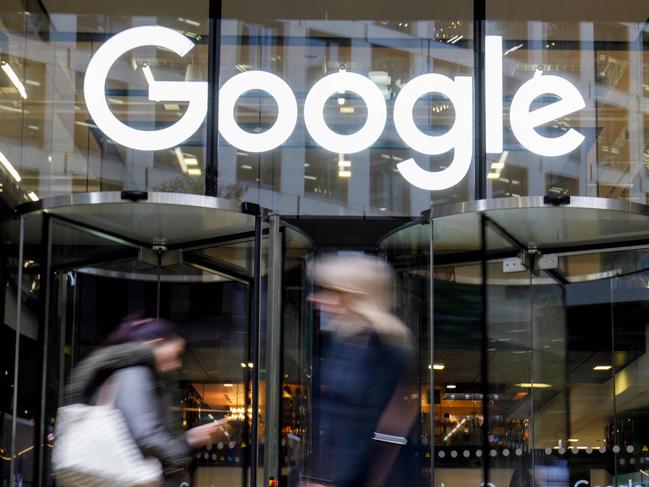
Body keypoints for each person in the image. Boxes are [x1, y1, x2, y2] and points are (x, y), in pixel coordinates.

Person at [303, 255, 419, 487]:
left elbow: (366, 424)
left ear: (352, 296)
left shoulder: (380, 346)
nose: (315, 299)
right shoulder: (344, 342)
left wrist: (330, 480)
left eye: (329, 291)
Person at [64, 317, 227, 482]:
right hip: (123, 477)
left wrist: (189, 439)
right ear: (156, 342)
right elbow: (145, 437)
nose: (177, 363)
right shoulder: (135, 374)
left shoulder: (127, 372)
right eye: (177, 353)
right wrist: (184, 447)